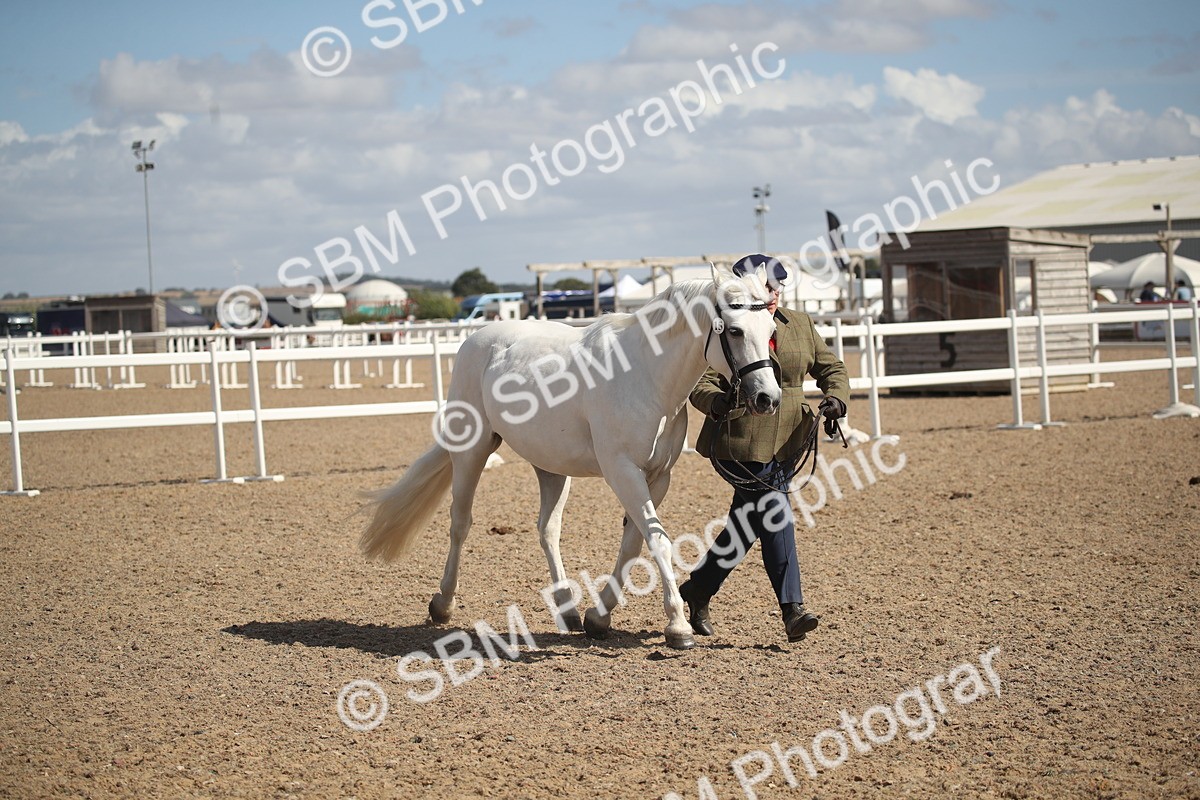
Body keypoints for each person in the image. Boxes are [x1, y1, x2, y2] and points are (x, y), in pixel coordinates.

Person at [681, 254, 850, 643]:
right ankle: (793, 610)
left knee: (745, 526)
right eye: (767, 288)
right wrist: (716, 402)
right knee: (776, 514)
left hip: (790, 439)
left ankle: (699, 588)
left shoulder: (800, 325)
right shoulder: (727, 326)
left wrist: (836, 398)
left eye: (777, 288)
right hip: (742, 440)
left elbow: (831, 368)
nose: (773, 295)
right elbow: (701, 382)